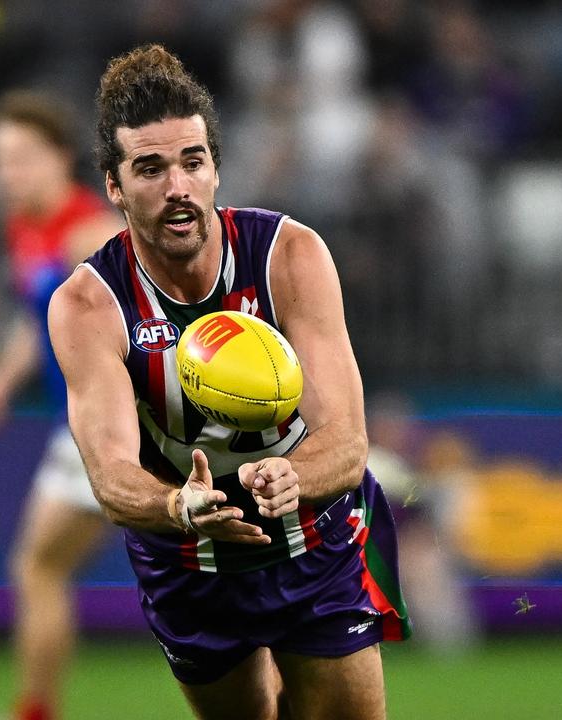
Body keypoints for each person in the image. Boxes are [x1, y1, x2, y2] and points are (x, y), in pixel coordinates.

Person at [47, 45, 410, 720]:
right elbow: (111, 473)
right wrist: (176, 507)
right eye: (150, 169)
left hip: (316, 545)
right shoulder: (88, 306)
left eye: (192, 162)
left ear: (216, 168)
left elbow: (346, 439)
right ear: (114, 186)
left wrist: (294, 476)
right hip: (189, 565)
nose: (177, 186)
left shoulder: (288, 256)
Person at [0, 90, 125, 720]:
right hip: (85, 430)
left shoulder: (90, 235)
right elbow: (43, 322)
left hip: (118, 429)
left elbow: (149, 329)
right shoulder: (26, 228)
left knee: (39, 565)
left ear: (62, 158)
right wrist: (1, 379)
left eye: (23, 158)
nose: (9, 173)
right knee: (39, 565)